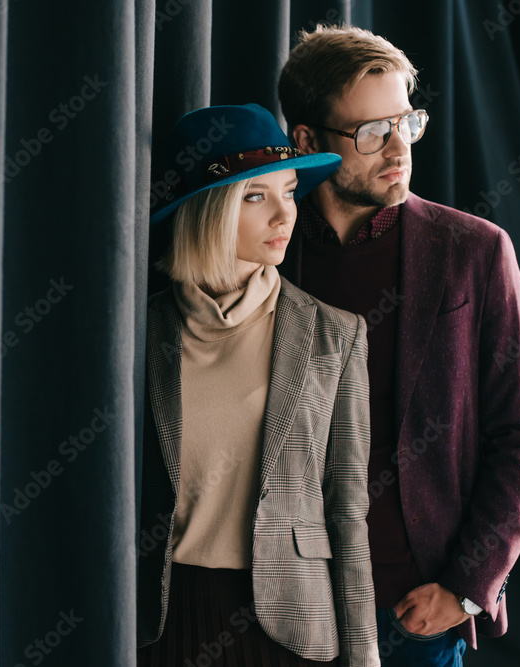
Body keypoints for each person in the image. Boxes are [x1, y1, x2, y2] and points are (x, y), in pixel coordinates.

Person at [276, 25, 520, 666]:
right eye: (371, 133)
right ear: (307, 140)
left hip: (415, 612)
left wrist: (467, 588)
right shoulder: (270, 249)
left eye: (406, 121)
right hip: (283, 603)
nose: (398, 147)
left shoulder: (475, 251)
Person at [137, 103, 379, 667]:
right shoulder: (137, 334)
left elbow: (347, 508)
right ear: (207, 210)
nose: (284, 215)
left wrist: (364, 653)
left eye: (290, 191)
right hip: (161, 623)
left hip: (289, 626)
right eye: (256, 196)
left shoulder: (334, 336)